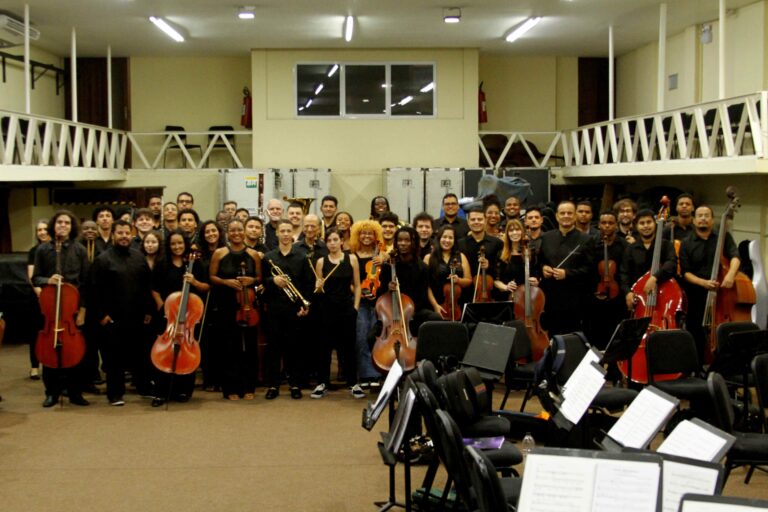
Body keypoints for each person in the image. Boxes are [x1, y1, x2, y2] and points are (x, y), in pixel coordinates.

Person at [90, 219, 154, 406]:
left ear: (131, 234)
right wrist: (102, 315)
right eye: (120, 233)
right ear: (113, 235)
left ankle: (143, 388)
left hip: (137, 317)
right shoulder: (102, 259)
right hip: (112, 318)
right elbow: (94, 290)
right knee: (114, 358)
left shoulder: (139, 257)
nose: (124, 236)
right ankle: (115, 394)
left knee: (140, 355)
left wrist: (148, 310)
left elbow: (146, 286)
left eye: (127, 233)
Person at [31, 210, 90, 407]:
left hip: (71, 310)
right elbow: (35, 278)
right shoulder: (43, 250)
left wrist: (82, 310)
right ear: (53, 226)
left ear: (72, 227)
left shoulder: (80, 250)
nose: (62, 225)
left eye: (66, 223)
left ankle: (76, 393)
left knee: (76, 353)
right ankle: (51, 393)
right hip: (50, 309)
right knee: (49, 351)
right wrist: (48, 280)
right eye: (59, 222)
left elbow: (86, 283)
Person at [148, 229, 209, 406]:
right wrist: (161, 304)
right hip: (168, 316)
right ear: (169, 245)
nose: (177, 246)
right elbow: (153, 288)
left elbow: (206, 287)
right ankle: (161, 392)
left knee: (185, 350)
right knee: (164, 351)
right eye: (173, 243)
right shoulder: (162, 264)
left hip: (188, 317)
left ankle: (183, 390)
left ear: (186, 244)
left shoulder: (194, 263)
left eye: (180, 243)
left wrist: (194, 282)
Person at [209, 219, 263, 400]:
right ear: (227, 232)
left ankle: (249, 387)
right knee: (229, 347)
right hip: (226, 304)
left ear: (244, 232)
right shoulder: (219, 253)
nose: (237, 233)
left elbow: (259, 277)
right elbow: (212, 276)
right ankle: (230, 388)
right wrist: (226, 282)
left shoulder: (254, 254)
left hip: (247, 305)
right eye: (233, 230)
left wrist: (252, 281)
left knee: (249, 347)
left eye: (240, 230)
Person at [680, 205, 741, 363]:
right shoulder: (686, 243)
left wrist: (730, 274)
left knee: (725, 331)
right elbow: (685, 273)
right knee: (696, 331)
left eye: (707, 215)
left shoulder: (723, 237)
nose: (703, 218)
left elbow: (735, 256)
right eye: (700, 215)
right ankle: (698, 366)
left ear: (712, 220)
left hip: (723, 293)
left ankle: (726, 366)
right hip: (697, 294)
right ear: (694, 220)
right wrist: (704, 283)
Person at [261, 220, 312, 400]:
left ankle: (295, 384)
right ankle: (273, 385)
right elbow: (261, 283)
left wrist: (305, 305)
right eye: (281, 231)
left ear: (293, 234)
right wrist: (272, 281)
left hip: (294, 308)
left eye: (288, 231)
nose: (284, 234)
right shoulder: (268, 257)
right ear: (277, 234)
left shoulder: (302, 256)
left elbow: (307, 284)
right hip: (274, 308)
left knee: (294, 348)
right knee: (273, 348)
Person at [311, 228, 361, 399]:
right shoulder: (320, 262)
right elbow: (318, 291)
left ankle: (353, 383)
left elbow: (358, 285)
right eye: (329, 240)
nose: (332, 243)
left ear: (341, 241)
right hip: (326, 309)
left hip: (346, 309)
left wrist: (355, 307)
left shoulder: (351, 259)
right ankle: (322, 382)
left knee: (348, 347)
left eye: (335, 240)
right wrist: (318, 285)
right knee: (323, 347)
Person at [537, 200, 593, 335]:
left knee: (571, 337)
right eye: (562, 213)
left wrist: (567, 274)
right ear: (557, 216)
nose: (566, 216)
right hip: (549, 298)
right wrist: (543, 268)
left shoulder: (585, 240)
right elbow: (539, 262)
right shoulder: (546, 237)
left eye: (569, 213)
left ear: (575, 216)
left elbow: (590, 270)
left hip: (574, 300)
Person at [378, 226, 441, 341]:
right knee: (371, 337)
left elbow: (422, 299)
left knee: (435, 318)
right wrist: (387, 289)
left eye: (407, 240)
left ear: (414, 243)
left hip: (414, 312)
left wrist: (407, 312)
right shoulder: (388, 266)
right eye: (399, 240)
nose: (402, 243)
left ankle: (424, 355)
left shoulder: (422, 268)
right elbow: (380, 295)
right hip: (392, 313)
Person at [350, 220, 387, 393]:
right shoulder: (352, 255)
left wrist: (384, 259)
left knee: (377, 338)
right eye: (363, 233)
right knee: (361, 337)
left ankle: (378, 373)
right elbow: (349, 281)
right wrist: (358, 292)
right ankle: (366, 375)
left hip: (379, 303)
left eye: (370, 233)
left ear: (375, 236)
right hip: (361, 302)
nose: (366, 236)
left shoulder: (381, 254)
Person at [585, 211, 629, 350]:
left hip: (618, 297)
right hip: (596, 296)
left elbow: (626, 269)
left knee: (616, 334)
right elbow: (587, 269)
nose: (607, 226)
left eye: (610, 223)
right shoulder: (591, 243)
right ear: (599, 225)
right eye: (604, 223)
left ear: (616, 225)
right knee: (596, 336)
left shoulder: (623, 245)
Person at [196, 221, 225, 392]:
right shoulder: (198, 255)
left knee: (221, 341)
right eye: (207, 232)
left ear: (219, 233)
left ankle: (221, 378)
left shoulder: (226, 251)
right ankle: (209, 378)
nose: (211, 234)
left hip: (222, 299)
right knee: (206, 342)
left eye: (214, 231)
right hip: (204, 299)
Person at [424, 225, 472, 318]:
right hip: (435, 303)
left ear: (454, 240)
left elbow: (469, 280)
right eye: (444, 237)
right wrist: (435, 305)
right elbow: (426, 286)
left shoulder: (461, 256)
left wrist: (459, 280)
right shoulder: (429, 258)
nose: (447, 240)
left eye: (451, 238)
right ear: (439, 239)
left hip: (456, 304)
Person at [457, 207, 503, 303]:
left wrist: (489, 266)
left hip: (489, 291)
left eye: (480, 219)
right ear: (468, 222)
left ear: (485, 221)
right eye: (473, 219)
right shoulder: (459, 244)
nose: (476, 222)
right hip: (465, 293)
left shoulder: (497, 243)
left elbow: (502, 269)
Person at [26, 218, 50, 380]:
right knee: (35, 333)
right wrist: (42, 296)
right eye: (39, 230)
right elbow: (32, 276)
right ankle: (34, 366)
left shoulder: (56, 249)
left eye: (44, 229)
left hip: (56, 298)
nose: (42, 232)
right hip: (38, 297)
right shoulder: (34, 251)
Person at [494, 219, 539, 301]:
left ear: (522, 232)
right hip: (508, 296)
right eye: (511, 230)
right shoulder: (501, 254)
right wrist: (506, 287)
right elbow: (496, 281)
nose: (514, 233)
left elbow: (537, 276)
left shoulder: (531, 253)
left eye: (517, 229)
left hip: (528, 297)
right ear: (507, 234)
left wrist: (536, 282)